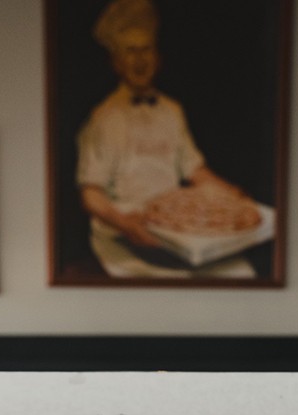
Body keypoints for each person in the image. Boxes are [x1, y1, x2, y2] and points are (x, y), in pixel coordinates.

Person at [76, 0, 250, 275]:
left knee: (240, 274)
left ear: (158, 58)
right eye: (131, 52)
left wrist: (233, 195)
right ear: (116, 62)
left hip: (172, 227)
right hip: (122, 233)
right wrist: (126, 225)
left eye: (146, 50)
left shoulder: (173, 110)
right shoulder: (104, 118)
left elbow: (194, 170)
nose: (140, 60)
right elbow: (91, 196)